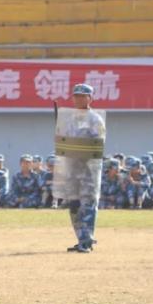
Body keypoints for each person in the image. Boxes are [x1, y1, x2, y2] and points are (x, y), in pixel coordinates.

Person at [54, 83, 106, 253]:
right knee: (74, 205)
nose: (78, 99)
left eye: (83, 96)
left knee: (88, 205)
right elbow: (64, 142)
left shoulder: (95, 119)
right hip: (72, 169)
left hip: (89, 170)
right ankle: (81, 238)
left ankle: (87, 241)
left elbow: (97, 144)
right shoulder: (69, 120)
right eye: (76, 96)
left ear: (90, 98)